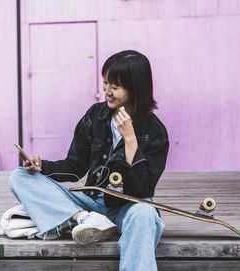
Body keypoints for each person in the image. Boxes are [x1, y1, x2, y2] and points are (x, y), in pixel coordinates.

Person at [9, 50, 169, 271]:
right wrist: (41, 167)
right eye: (105, 83)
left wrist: (131, 140)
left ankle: (80, 220)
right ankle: (82, 219)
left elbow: (143, 189)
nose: (107, 91)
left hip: (128, 207)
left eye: (115, 87)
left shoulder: (155, 131)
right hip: (91, 206)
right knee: (19, 176)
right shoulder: (95, 116)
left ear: (136, 89)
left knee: (146, 213)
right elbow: (75, 168)